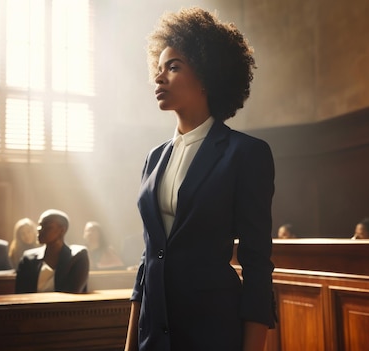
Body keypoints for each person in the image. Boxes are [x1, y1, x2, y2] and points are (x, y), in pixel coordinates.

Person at [125, 8, 276, 351]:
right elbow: (148, 260)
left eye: (173, 67)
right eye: (158, 69)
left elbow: (256, 265)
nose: (159, 78)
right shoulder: (154, 158)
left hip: (213, 332)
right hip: (153, 335)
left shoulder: (245, 153)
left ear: (208, 75)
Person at [15, 209, 89, 293]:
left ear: (62, 230)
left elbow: (74, 292)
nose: (39, 229)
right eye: (40, 225)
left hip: (65, 305)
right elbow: (21, 293)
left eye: (47, 226)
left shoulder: (77, 256)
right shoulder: (28, 258)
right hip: (33, 305)